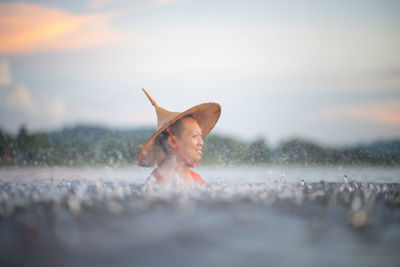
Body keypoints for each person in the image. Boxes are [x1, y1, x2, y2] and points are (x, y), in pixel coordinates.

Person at [137, 89, 221, 186]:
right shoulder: (159, 179)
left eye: (200, 136)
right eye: (195, 136)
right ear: (172, 141)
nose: (201, 142)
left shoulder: (195, 178)